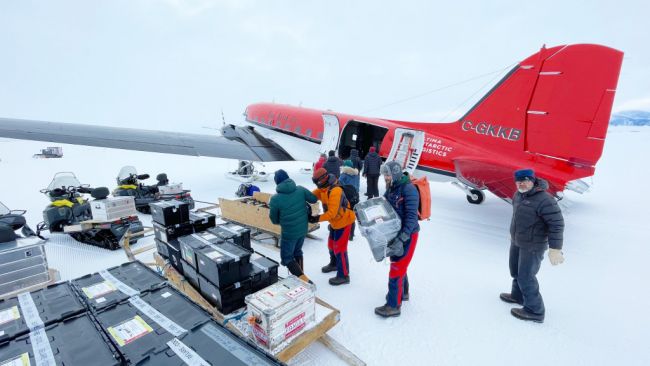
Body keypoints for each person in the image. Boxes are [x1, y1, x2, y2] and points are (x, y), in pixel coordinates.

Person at [500, 168, 565, 323]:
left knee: (526, 276)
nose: (522, 183)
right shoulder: (518, 195)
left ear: (533, 181)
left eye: (525, 180)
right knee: (515, 271)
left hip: (533, 245)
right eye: (519, 181)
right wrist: (513, 232)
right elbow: (517, 217)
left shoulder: (545, 199)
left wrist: (555, 249)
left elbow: (556, 224)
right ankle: (518, 296)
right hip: (517, 241)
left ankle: (535, 311)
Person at [375, 161, 420, 318]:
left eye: (387, 174)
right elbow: (385, 207)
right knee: (400, 265)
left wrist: (402, 239)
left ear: (394, 173)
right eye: (384, 175)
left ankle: (393, 305)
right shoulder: (393, 187)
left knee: (396, 268)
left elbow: (412, 219)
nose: (385, 177)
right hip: (396, 233)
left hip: (408, 234)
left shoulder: (409, 190)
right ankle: (403, 293)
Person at [269, 169, 318, 283]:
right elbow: (314, 199)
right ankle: (300, 275)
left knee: (287, 258)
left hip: (289, 233)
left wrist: (281, 221)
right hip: (302, 229)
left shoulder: (275, 199)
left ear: (277, 182)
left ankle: (304, 280)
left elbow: (274, 219)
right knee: (297, 251)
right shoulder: (300, 189)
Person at [310, 168, 356, 285]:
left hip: (344, 221)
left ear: (323, 179)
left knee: (340, 249)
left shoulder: (335, 191)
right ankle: (334, 264)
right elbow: (310, 196)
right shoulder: (322, 189)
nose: (316, 185)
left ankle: (344, 275)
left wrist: (316, 218)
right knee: (331, 245)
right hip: (335, 222)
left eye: (317, 182)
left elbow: (332, 213)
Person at [338, 160, 360, 241]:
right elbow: (358, 186)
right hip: (355, 197)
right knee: (351, 215)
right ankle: (351, 234)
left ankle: (343, 232)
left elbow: (339, 185)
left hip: (346, 197)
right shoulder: (356, 175)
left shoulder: (343, 175)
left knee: (344, 214)